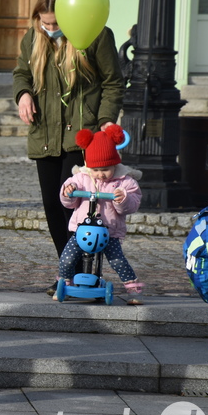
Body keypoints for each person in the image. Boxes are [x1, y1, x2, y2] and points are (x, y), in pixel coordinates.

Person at [12, 0, 124, 295]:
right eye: (45, 23)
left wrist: (105, 120)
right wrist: (23, 95)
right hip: (45, 133)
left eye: (55, 23)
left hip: (83, 135)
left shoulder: (96, 35)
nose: (50, 29)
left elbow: (113, 81)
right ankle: (69, 270)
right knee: (51, 204)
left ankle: (79, 271)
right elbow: (21, 72)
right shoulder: (33, 37)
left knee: (71, 203)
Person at [58, 124, 144, 305]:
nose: (101, 175)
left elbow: (133, 204)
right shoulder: (80, 178)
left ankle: (133, 288)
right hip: (82, 230)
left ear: (115, 164)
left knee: (117, 260)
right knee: (67, 257)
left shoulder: (125, 181)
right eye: (96, 170)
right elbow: (69, 201)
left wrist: (122, 198)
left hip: (110, 231)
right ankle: (64, 282)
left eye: (105, 169)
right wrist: (69, 191)